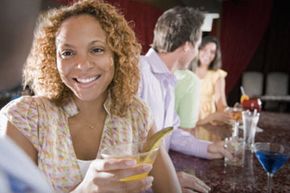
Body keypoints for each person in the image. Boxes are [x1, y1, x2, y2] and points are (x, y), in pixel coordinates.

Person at [0, 0, 182, 193]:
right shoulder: (24, 117)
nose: (82, 65)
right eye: (68, 53)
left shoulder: (137, 114)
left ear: (117, 54)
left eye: (96, 49)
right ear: (54, 59)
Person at [139, 6, 231, 193]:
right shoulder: (138, 72)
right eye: (197, 46)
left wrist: (208, 148)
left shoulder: (168, 79)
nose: (197, 53)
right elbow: (117, 149)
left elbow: (170, 134)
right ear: (187, 46)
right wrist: (159, 182)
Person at [194, 36, 231, 126]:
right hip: (190, 116)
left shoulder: (217, 75)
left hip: (209, 120)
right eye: (204, 49)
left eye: (212, 52)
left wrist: (227, 112)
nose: (208, 54)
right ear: (198, 49)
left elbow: (220, 101)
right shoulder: (188, 71)